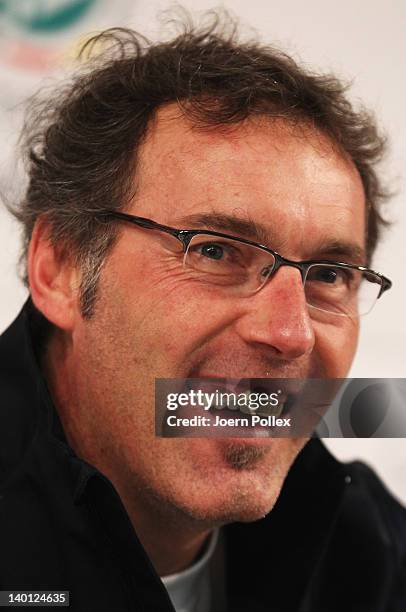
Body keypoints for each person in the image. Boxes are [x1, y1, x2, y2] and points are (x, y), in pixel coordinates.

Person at [0, 17, 405, 612]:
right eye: (214, 251)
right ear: (58, 269)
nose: (288, 333)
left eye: (327, 275)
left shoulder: (364, 545)